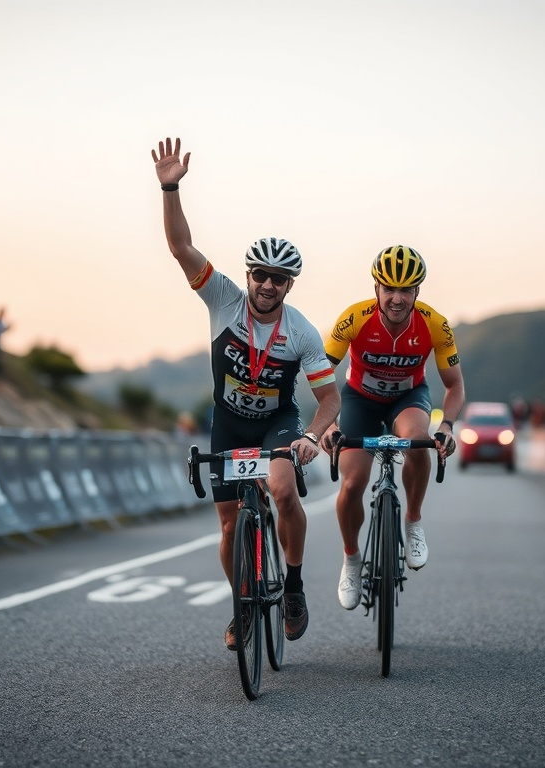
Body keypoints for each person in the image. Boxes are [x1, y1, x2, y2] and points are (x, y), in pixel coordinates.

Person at [151, 136, 341, 649]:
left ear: (289, 286)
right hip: (228, 422)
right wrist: (171, 189)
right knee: (231, 527)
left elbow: (329, 398)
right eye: (261, 275)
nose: (267, 285)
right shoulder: (223, 300)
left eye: (279, 280)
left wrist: (312, 437)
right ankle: (242, 606)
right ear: (249, 275)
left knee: (281, 489)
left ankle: (294, 589)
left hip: (277, 424)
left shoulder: (300, 332)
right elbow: (180, 247)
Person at [320, 245, 463, 611]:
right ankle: (352, 559)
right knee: (352, 483)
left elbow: (454, 386)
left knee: (417, 442)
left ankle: (413, 521)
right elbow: (319, 374)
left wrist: (446, 424)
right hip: (359, 399)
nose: (397, 299)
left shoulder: (435, 324)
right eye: (389, 289)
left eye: (407, 291)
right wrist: (328, 423)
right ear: (377, 289)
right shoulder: (354, 318)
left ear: (417, 293)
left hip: (408, 397)